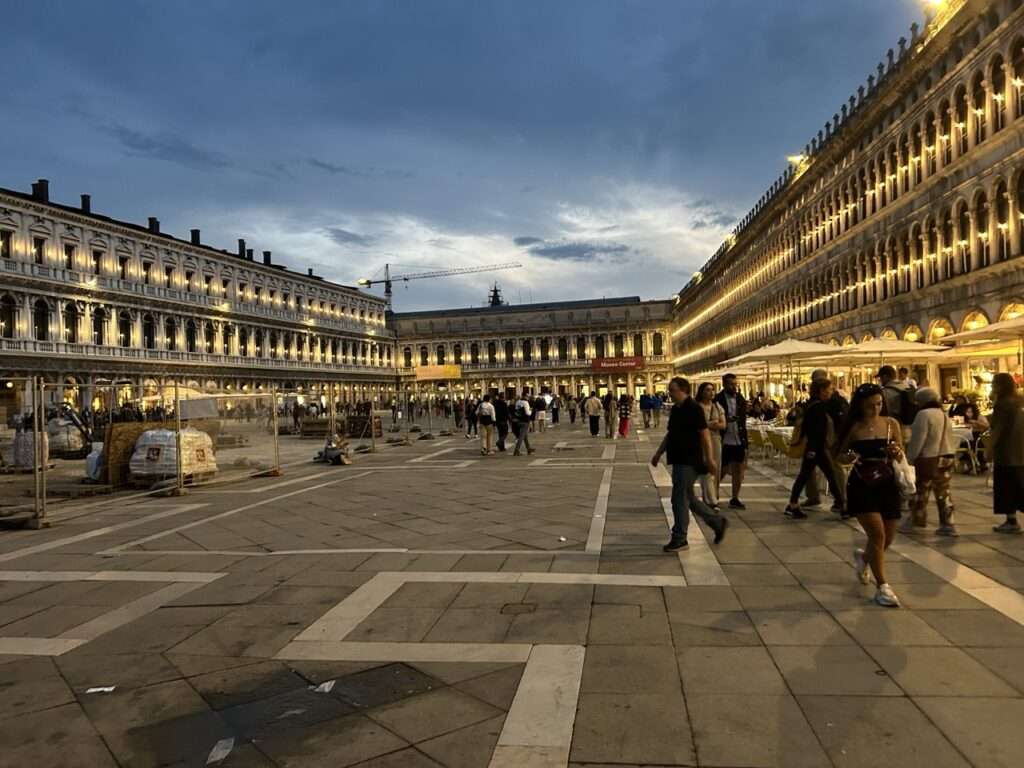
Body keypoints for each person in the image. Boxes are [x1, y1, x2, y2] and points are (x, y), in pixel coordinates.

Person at [837, 383, 905, 607]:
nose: (875, 410)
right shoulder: (854, 427)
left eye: (879, 404)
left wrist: (896, 451)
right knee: (877, 535)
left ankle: (864, 558)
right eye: (869, 406)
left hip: (887, 482)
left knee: (888, 537)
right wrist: (848, 457)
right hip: (862, 483)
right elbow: (839, 454)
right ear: (860, 407)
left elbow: (900, 451)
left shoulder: (890, 424)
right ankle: (883, 586)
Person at [651, 377, 728, 550]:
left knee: (679, 499)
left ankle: (680, 537)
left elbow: (705, 435)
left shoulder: (693, 409)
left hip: (689, 460)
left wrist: (710, 459)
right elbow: (671, 435)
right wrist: (659, 453)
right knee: (689, 498)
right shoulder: (677, 410)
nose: (670, 393)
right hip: (678, 458)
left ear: (683, 390)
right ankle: (717, 522)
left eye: (673, 390)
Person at [785, 378, 845, 519]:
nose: (831, 392)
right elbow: (816, 430)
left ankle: (840, 504)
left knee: (815, 475)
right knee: (820, 475)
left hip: (815, 448)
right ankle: (841, 505)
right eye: (829, 389)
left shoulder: (812, 404)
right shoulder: (818, 407)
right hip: (816, 448)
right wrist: (812, 449)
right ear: (822, 390)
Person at [905, 387, 958, 536]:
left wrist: (910, 457)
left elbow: (918, 439)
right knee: (944, 491)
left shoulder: (923, 414)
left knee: (922, 489)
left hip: (929, 457)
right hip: (947, 456)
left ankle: (917, 519)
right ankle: (948, 522)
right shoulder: (944, 414)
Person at [990, 372, 1024, 534]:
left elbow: (999, 428)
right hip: (1020, 450)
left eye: (994, 383)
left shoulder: (1003, 404)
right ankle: (1011, 520)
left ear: (1001, 386)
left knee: (1007, 487)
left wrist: (989, 448)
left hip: (1006, 452)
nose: (992, 386)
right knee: (1019, 485)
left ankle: (1011, 521)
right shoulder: (1018, 402)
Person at [714, 373, 748, 509]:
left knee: (739, 470)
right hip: (724, 439)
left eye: (735, 384)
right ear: (724, 384)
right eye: (731, 384)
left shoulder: (740, 398)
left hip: (739, 438)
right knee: (722, 470)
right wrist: (725, 421)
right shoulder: (717, 399)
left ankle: (735, 498)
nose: (734, 387)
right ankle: (713, 495)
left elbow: (743, 418)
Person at [695, 382, 725, 511]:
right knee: (706, 469)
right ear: (701, 392)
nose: (711, 392)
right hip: (700, 441)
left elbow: (723, 425)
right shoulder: (696, 407)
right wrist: (712, 424)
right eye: (708, 390)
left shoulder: (718, 407)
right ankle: (711, 501)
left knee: (716, 469)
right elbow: (695, 425)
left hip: (716, 440)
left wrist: (706, 424)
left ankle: (714, 496)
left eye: (713, 390)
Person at [950, 395, 990, 472]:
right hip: (968, 437)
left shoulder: (979, 417)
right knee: (964, 443)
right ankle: (970, 463)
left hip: (980, 438)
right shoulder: (964, 419)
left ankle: (975, 463)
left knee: (970, 443)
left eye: (970, 412)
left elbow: (987, 426)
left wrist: (976, 422)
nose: (968, 414)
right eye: (967, 412)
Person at [513, 390, 536, 456]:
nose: (528, 397)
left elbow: (516, 410)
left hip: (518, 420)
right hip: (525, 421)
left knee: (525, 436)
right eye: (527, 396)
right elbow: (527, 413)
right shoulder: (525, 402)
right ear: (525, 396)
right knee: (521, 437)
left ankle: (528, 448)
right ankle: (516, 450)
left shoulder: (518, 402)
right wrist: (531, 410)